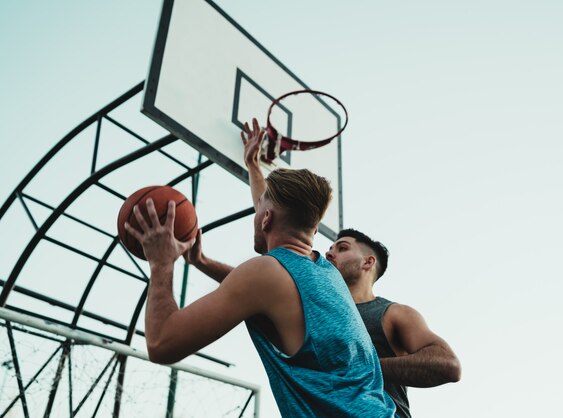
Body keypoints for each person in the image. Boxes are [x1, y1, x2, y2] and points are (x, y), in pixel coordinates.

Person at [124, 118, 396, 417]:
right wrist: (253, 165)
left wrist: (161, 263)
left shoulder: (265, 274)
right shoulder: (325, 272)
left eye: (261, 212)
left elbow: (162, 344)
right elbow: (268, 213)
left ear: (266, 220)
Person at [325, 229, 462, 417]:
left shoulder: (392, 313)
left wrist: (364, 367)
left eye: (342, 248)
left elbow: (448, 365)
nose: (329, 253)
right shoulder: (322, 314)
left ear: (368, 262)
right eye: (331, 248)